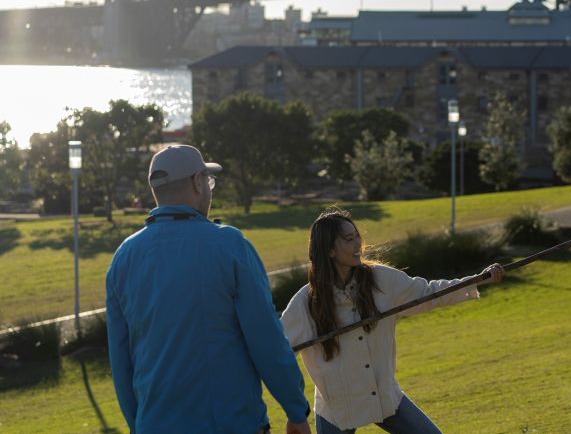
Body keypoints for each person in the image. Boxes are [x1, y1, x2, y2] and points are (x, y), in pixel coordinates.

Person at [106, 144, 311, 434]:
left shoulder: (123, 257)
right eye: (209, 180)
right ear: (197, 182)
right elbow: (266, 339)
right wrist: (296, 409)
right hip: (230, 423)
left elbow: (121, 361)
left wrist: (139, 425)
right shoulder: (228, 245)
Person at [281, 208, 505, 434]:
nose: (357, 243)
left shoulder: (381, 279)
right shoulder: (305, 303)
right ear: (329, 249)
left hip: (384, 396)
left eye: (357, 236)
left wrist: (477, 279)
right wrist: (295, 412)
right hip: (338, 409)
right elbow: (278, 352)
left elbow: (428, 293)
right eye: (349, 239)